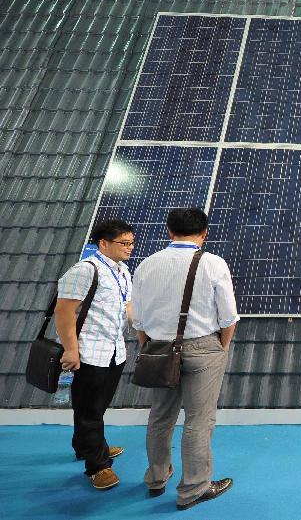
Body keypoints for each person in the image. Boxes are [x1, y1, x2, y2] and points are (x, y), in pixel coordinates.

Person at [131, 207, 239, 510]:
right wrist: (220, 348)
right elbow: (229, 317)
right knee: (198, 420)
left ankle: (155, 478)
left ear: (169, 232)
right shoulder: (213, 263)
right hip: (203, 347)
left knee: (160, 417)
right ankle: (194, 489)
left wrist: (149, 347)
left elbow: (138, 320)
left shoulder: (146, 265)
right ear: (204, 233)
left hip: (158, 347)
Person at [56, 218, 135, 489]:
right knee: (90, 410)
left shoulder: (123, 271)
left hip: (115, 351)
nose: (130, 247)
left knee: (96, 406)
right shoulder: (85, 270)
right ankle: (98, 466)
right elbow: (63, 310)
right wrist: (70, 350)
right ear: (103, 243)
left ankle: (87, 445)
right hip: (89, 352)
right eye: (124, 243)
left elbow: (126, 309)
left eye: (131, 242)